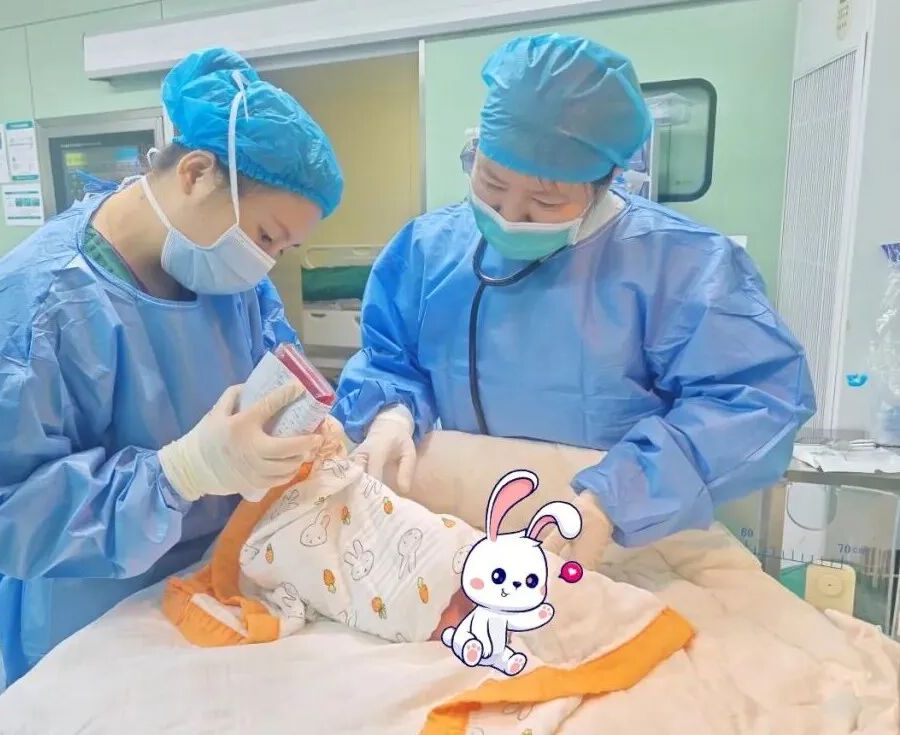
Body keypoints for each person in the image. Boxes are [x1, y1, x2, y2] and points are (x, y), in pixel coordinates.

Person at [0, 47, 343, 685]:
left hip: (213, 586)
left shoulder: (229, 276)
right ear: (196, 173)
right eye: (266, 236)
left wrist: (305, 426)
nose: (267, 262)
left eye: (284, 249)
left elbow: (275, 366)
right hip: (91, 616)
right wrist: (179, 473)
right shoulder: (31, 312)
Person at [334, 34, 815, 568]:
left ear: (605, 182)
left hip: (618, 537)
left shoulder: (679, 265)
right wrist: (392, 412)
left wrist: (620, 496)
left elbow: (752, 399)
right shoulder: (428, 249)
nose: (509, 215)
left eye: (544, 202)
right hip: (472, 530)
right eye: (491, 183)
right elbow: (390, 359)